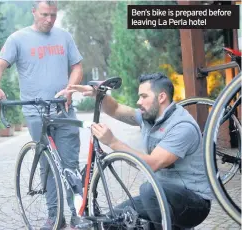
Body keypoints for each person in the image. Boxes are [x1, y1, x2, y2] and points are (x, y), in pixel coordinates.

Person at [0, 1, 92, 229]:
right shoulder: (17, 39)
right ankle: (55, 216)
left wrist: (70, 88)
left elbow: (77, 67)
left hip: (63, 110)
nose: (49, 20)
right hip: (36, 113)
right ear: (33, 12)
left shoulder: (64, 36)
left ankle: (77, 214)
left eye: (53, 15)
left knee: (70, 164)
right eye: (45, 14)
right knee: (47, 165)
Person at [68, 73, 212, 229]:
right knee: (111, 221)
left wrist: (112, 142)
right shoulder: (150, 117)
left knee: (148, 189)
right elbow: (115, 109)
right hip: (160, 195)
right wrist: (98, 94)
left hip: (194, 202)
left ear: (161, 97)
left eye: (144, 96)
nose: (138, 102)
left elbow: (152, 164)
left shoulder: (182, 127)